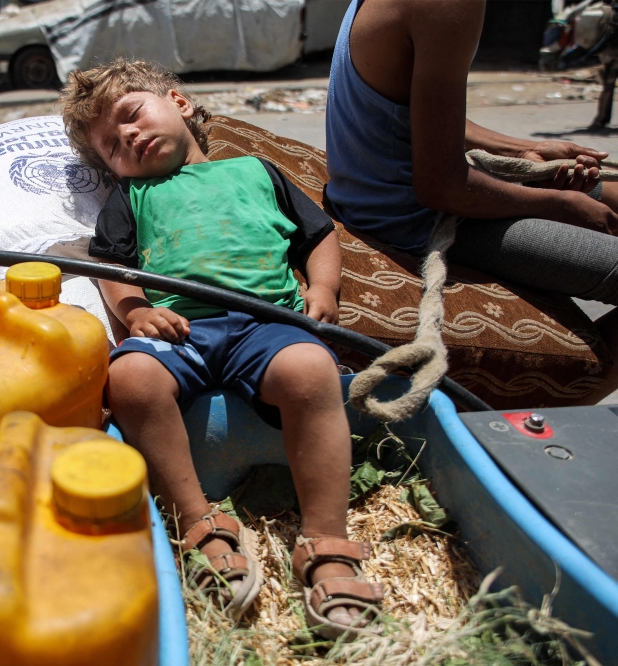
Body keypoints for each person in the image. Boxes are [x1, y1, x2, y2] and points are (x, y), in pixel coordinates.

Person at [61, 59, 384, 634]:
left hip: (265, 324)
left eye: (132, 116)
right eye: (111, 145)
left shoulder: (256, 172)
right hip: (182, 329)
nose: (128, 138)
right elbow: (108, 266)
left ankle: (327, 541)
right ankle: (199, 523)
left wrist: (325, 286)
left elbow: (319, 236)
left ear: (179, 104)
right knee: (131, 380)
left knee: (311, 369)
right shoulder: (132, 196)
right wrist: (136, 311)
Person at [326, 0, 618, 388]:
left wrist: (517, 150)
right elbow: (442, 187)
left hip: (376, 190)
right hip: (410, 216)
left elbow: (416, 106)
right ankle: (557, 413)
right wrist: (559, 204)